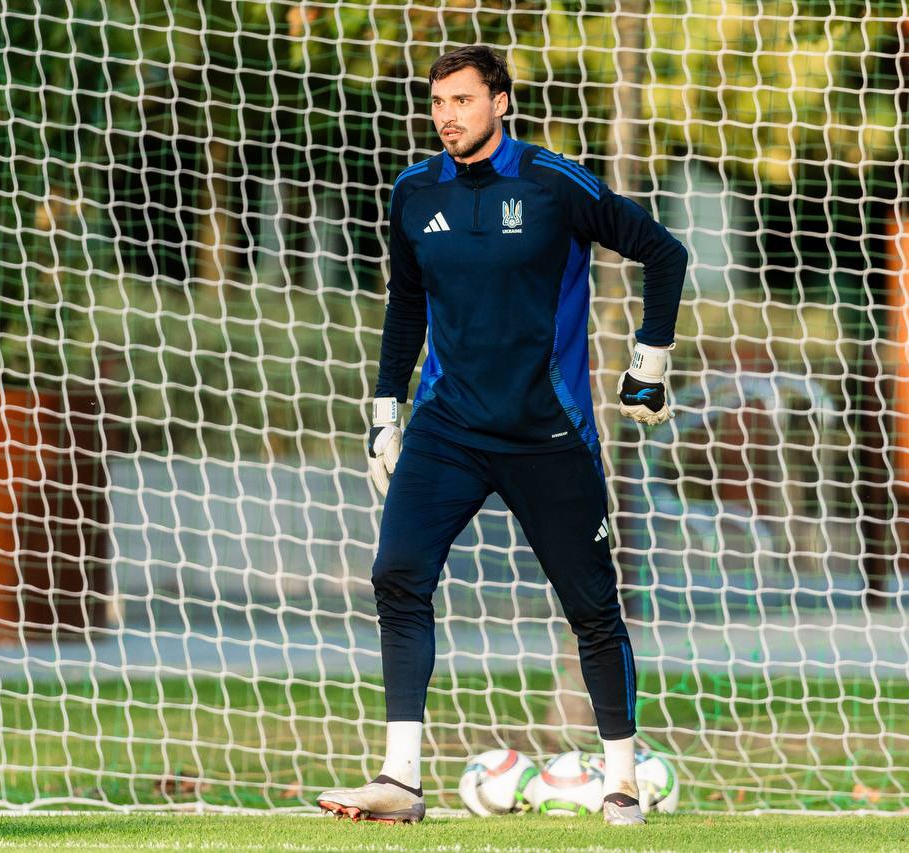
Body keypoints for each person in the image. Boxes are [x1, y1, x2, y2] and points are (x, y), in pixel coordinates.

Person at [318, 45, 686, 826]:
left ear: (501, 102)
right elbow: (406, 304)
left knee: (591, 606)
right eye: (437, 102)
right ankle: (399, 779)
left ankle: (622, 779)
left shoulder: (553, 183)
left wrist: (649, 362)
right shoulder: (415, 192)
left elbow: (663, 250)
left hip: (546, 430)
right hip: (447, 426)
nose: (447, 115)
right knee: (397, 574)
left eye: (462, 99)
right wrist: (386, 410)